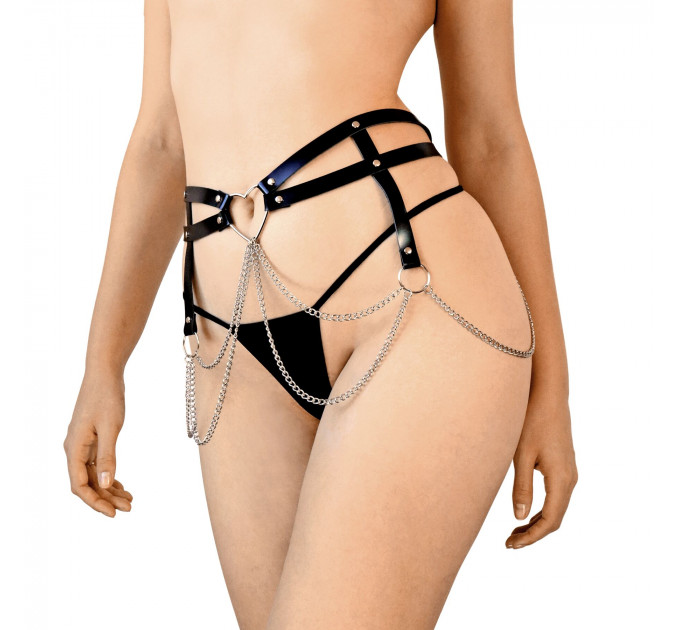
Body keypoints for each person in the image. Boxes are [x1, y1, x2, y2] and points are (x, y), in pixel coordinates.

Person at [63, 0, 578, 627]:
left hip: (416, 298)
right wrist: (103, 362)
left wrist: (552, 388)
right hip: (233, 338)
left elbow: (491, 137)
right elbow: (162, 139)